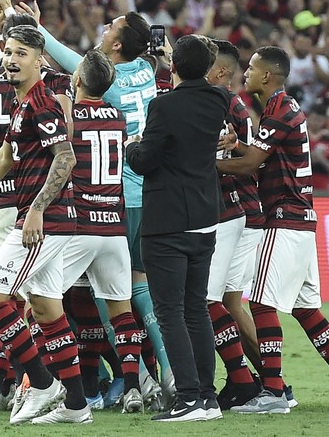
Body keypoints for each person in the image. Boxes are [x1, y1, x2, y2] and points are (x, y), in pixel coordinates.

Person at [16, 0, 170, 407]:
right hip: (148, 193)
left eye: (110, 28)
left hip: (109, 198)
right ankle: (160, 374)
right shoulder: (147, 71)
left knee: (90, 293)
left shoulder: (105, 87)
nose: (103, 31)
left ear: (118, 45)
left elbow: (72, 63)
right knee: (135, 284)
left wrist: (37, 30)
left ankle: (121, 379)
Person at [217, 46, 329, 414]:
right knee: (307, 309)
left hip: (284, 218)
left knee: (260, 302)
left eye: (253, 68)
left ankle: (273, 392)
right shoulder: (280, 109)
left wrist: (208, 165)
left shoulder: (278, 110)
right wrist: (236, 145)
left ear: (268, 76)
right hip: (301, 221)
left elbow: (253, 165)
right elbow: (263, 155)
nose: (247, 72)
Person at [0, 26, 89, 426]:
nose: (11, 58)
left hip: (45, 221)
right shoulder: (21, 101)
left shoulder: (42, 101)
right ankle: (76, 405)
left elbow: (66, 157)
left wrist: (39, 210)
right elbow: (6, 157)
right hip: (49, 219)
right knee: (45, 309)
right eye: (8, 51)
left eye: (22, 53)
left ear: (39, 60)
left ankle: (42, 383)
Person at [125, 35, 228, 422]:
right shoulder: (217, 99)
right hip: (205, 218)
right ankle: (207, 396)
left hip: (168, 221)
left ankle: (188, 399)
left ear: (173, 67)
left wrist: (132, 145)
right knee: (195, 308)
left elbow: (146, 160)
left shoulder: (162, 106)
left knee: (169, 311)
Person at [59, 50, 144, 413]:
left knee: (40, 303)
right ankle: (133, 387)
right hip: (114, 227)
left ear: (78, 80)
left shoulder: (70, 117)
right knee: (121, 311)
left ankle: (51, 387)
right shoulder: (117, 117)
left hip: (79, 223)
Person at [203, 39, 263, 409]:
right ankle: (272, 384)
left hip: (230, 210)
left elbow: (249, 158)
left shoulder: (220, 103)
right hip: (243, 210)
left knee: (207, 300)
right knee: (230, 303)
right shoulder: (236, 104)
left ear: (220, 72)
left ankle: (248, 381)